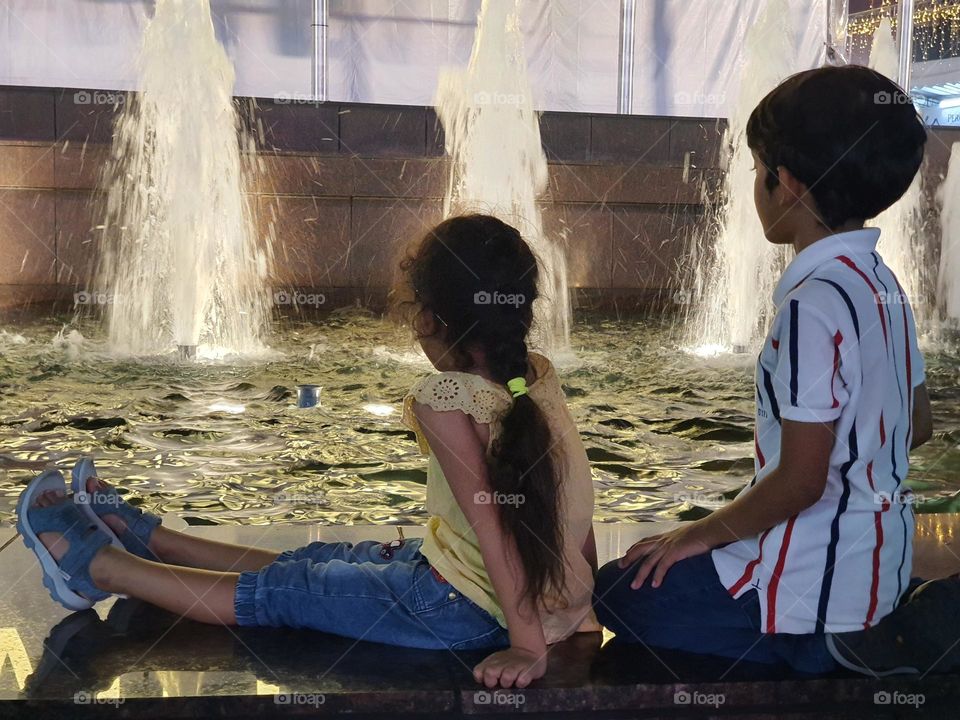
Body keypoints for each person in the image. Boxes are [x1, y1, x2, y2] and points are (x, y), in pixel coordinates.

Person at [17, 213, 598, 690]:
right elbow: (572, 503)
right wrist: (575, 605)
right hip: (508, 593)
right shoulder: (534, 379)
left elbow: (495, 525)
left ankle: (95, 565)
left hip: (460, 611)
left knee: (286, 594)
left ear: (426, 317)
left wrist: (527, 645)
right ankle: (152, 540)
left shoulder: (445, 399)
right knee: (334, 559)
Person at [593, 65, 934, 674]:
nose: (755, 186)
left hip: (809, 587)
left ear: (788, 185)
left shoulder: (810, 303)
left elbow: (802, 482)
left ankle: (810, 646)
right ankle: (854, 629)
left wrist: (695, 535)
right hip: (881, 565)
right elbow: (918, 423)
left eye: (757, 171)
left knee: (617, 592)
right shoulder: (883, 284)